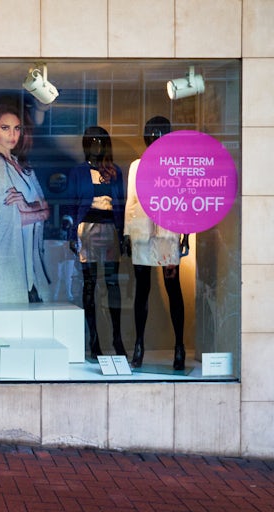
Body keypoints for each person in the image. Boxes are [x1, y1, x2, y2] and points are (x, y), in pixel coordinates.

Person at [124, 116, 189, 370]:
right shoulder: (137, 166)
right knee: (142, 288)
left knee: (173, 287)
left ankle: (179, 345)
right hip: (142, 231)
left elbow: (184, 199)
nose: (155, 138)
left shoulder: (176, 165)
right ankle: (138, 344)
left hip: (168, 231)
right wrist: (128, 234)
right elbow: (131, 202)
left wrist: (185, 233)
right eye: (151, 133)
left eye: (161, 133)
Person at [65, 126, 127, 358]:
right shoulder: (78, 172)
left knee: (112, 284)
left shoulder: (115, 172)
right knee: (90, 285)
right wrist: (71, 235)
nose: (96, 146)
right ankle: (94, 340)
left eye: (100, 142)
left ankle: (117, 338)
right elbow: (70, 205)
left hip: (110, 228)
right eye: (91, 142)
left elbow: (121, 203)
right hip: (86, 229)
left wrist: (124, 234)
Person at [0, 99, 50, 304]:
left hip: (31, 259)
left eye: (16, 129)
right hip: (11, 259)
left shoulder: (22, 165)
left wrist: (26, 207)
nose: (12, 135)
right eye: (5, 128)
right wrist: (34, 211)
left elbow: (46, 209)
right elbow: (5, 220)